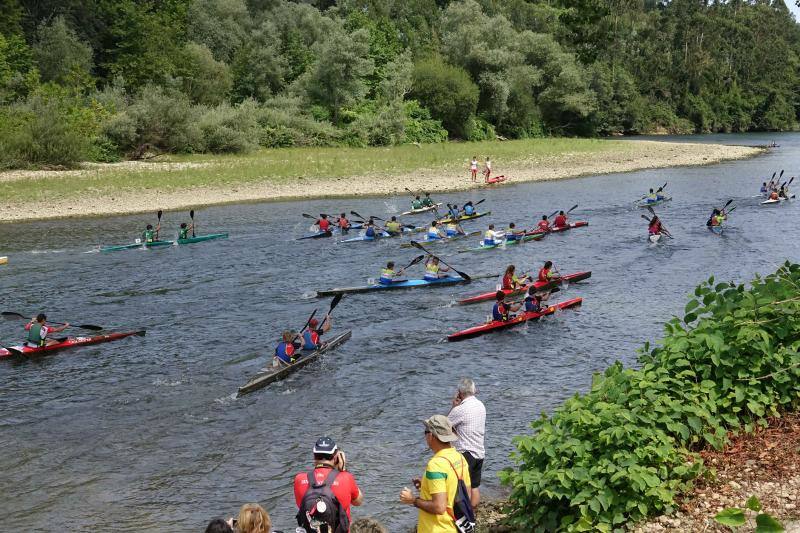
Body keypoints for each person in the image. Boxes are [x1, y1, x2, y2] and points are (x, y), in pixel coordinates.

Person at [399, 415, 471, 533]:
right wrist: (426, 487)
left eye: (425, 432)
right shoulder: (460, 458)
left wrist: (412, 500)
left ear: (431, 436)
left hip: (438, 528)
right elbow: (466, 495)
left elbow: (439, 507)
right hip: (456, 527)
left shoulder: (436, 465)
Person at [294, 436, 363, 533]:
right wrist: (343, 470)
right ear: (336, 457)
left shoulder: (299, 479)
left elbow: (301, 506)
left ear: (314, 456)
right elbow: (358, 501)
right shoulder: (346, 477)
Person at [448, 378, 486, 507]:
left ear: (459, 392)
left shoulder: (460, 409)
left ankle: (463, 513)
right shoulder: (481, 405)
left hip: (466, 453)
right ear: (474, 390)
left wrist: (453, 406)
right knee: (475, 486)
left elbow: (444, 427)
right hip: (479, 452)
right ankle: (472, 515)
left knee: (463, 487)